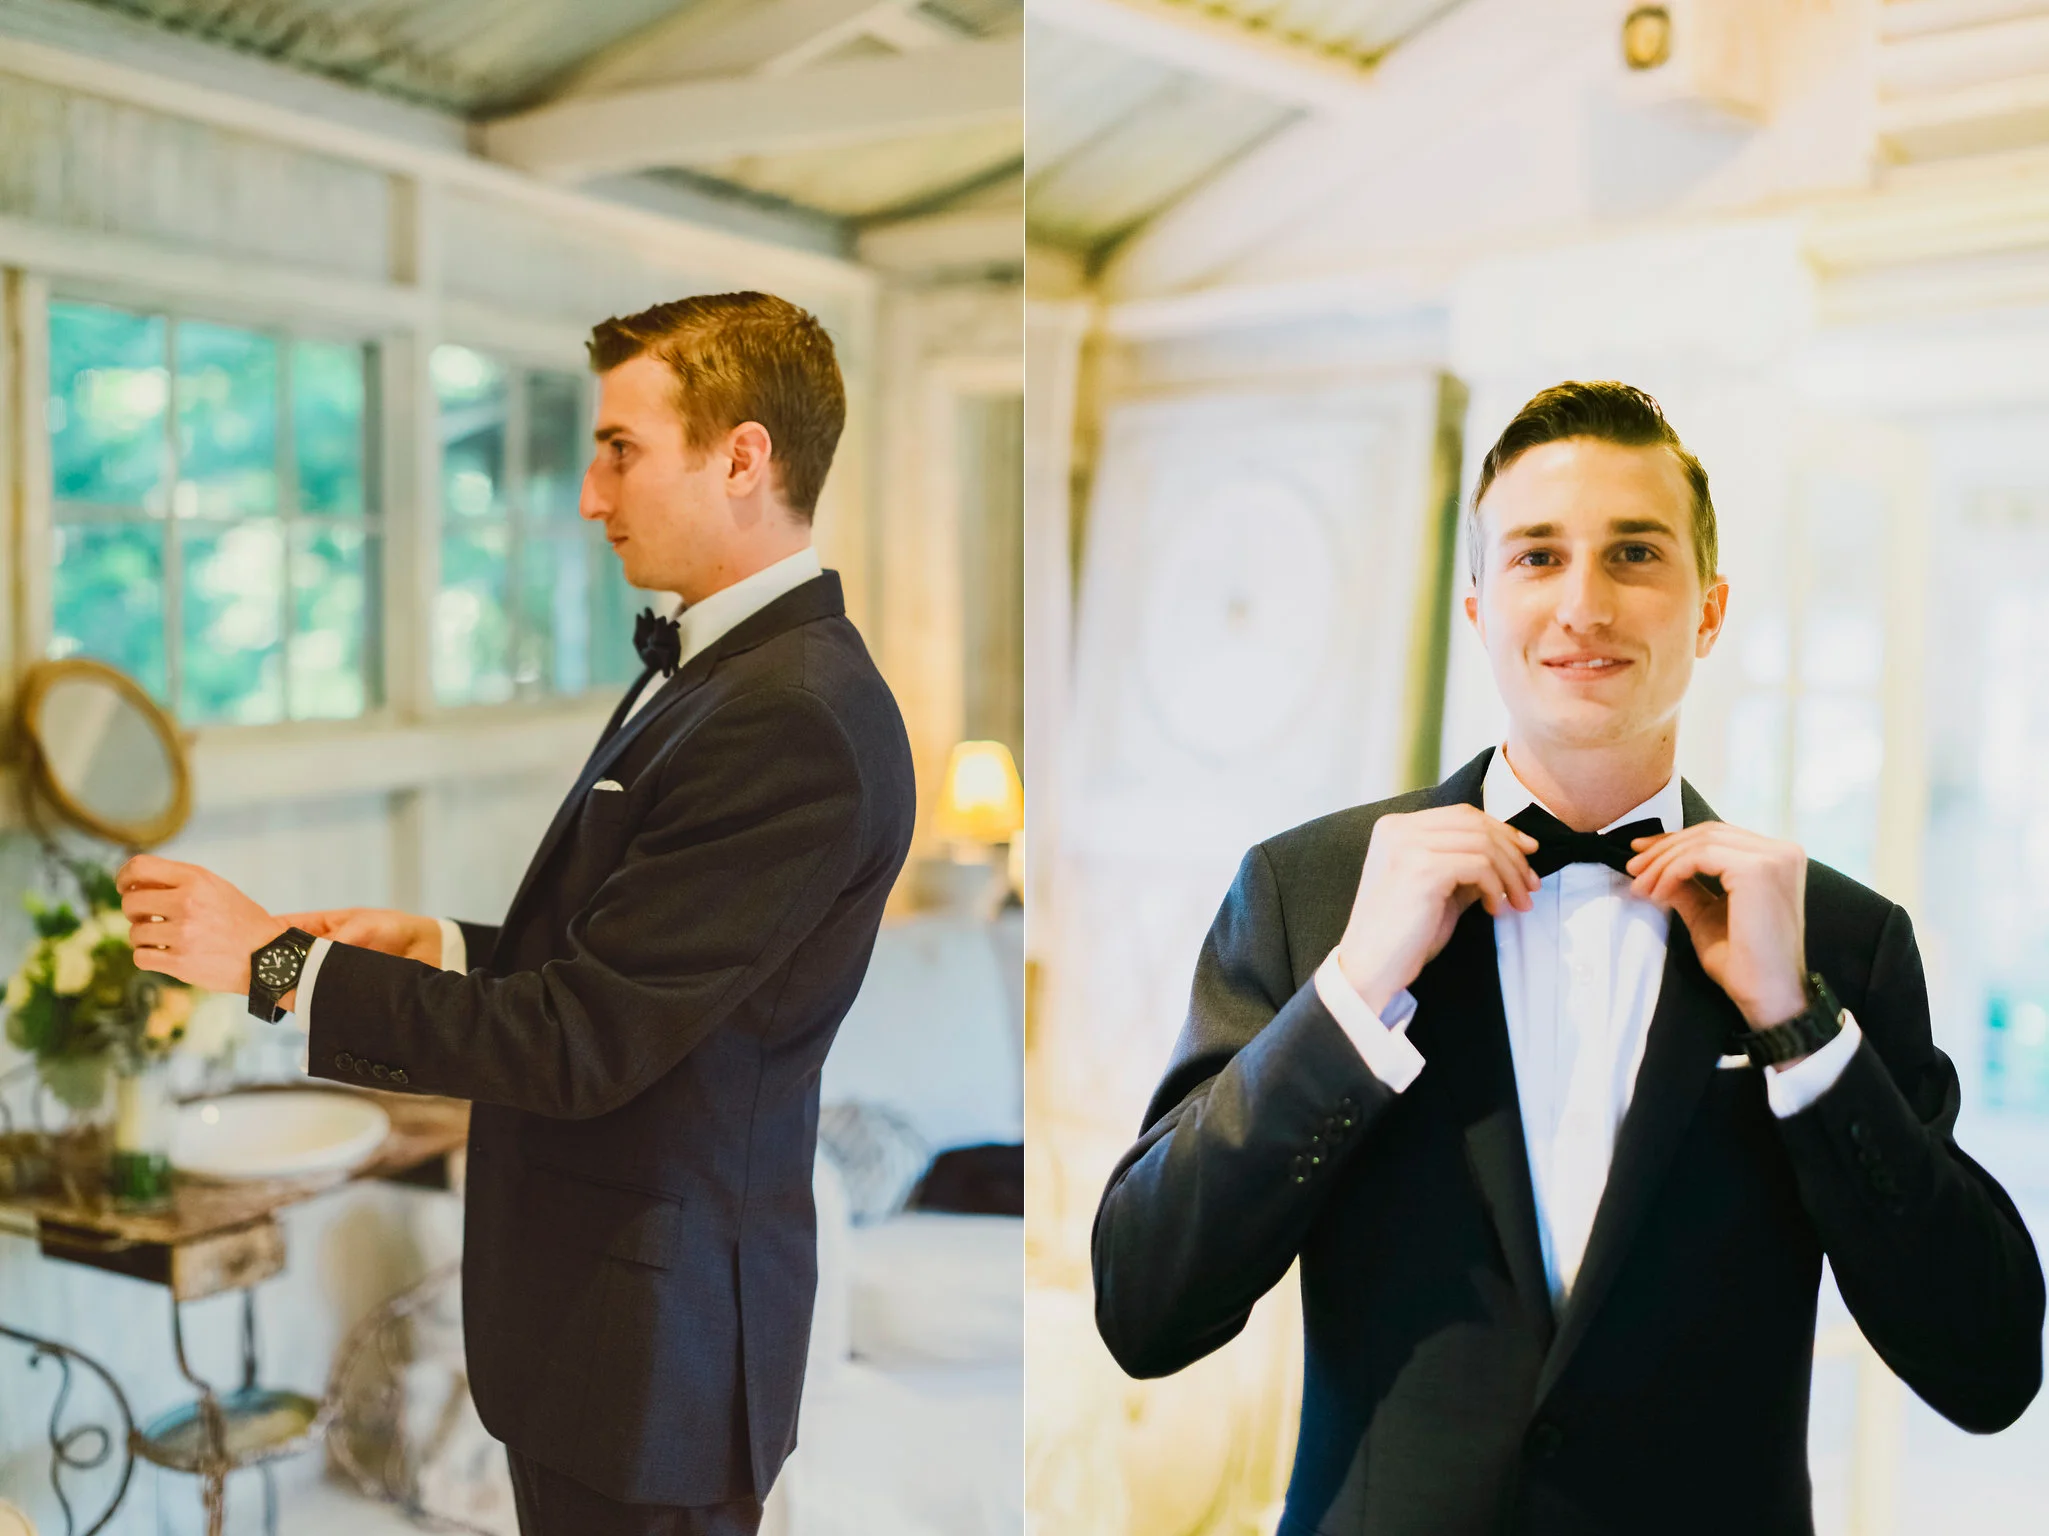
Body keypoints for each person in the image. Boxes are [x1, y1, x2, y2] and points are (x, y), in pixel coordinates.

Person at [1092, 381, 2044, 1535]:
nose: (1583, 605)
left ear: (1708, 610)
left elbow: (1989, 1365)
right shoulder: (1309, 892)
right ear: (1479, 607)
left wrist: (1801, 1029)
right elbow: (1144, 1309)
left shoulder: (1840, 939)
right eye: (1539, 558)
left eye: (1634, 554)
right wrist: (1349, 998)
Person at [116, 292, 917, 1536]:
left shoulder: (793, 719)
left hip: (662, 1354)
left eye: (620, 450)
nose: (591, 497)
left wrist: (276, 967)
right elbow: (640, 971)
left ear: (744, 456)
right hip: (600, 1341)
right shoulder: (726, 675)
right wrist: (436, 947)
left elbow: (583, 1041)